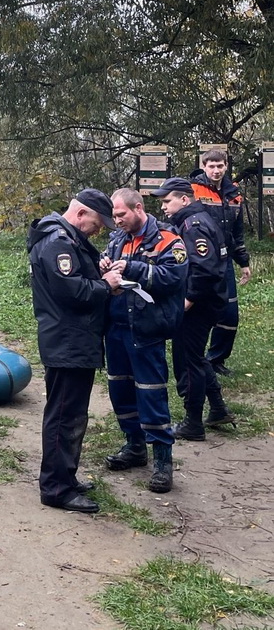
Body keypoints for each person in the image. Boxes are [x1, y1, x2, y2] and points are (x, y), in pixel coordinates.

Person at [28, 188, 122, 513]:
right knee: (64, 417)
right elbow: (72, 292)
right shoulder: (57, 242)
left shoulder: (69, 240)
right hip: (67, 342)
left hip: (75, 340)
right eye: (96, 224)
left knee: (72, 415)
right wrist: (105, 284)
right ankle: (56, 488)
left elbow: (80, 277)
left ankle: (65, 478)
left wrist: (99, 269)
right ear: (80, 214)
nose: (98, 231)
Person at [100, 188, 187, 493]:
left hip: (146, 330)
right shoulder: (118, 238)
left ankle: (162, 460)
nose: (116, 220)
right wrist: (104, 265)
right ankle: (134, 446)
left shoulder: (167, 239)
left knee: (150, 393)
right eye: (113, 216)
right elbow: (110, 261)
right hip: (117, 328)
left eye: (121, 214)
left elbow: (174, 277)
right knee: (120, 390)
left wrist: (134, 268)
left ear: (138, 208)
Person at [153, 177, 234, 440]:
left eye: (168, 201)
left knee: (188, 362)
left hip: (199, 305)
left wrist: (188, 299)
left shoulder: (194, 225)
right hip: (207, 301)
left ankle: (193, 422)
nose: (164, 206)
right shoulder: (194, 219)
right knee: (197, 357)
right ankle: (218, 409)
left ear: (184, 199)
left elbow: (204, 268)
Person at [190, 150, 251, 376]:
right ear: (204, 166)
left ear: (226, 166)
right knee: (197, 312)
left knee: (229, 315)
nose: (216, 170)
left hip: (224, 263)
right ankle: (193, 360)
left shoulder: (234, 195)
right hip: (199, 263)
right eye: (211, 166)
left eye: (220, 166)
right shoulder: (193, 190)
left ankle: (215, 359)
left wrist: (243, 262)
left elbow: (237, 234)